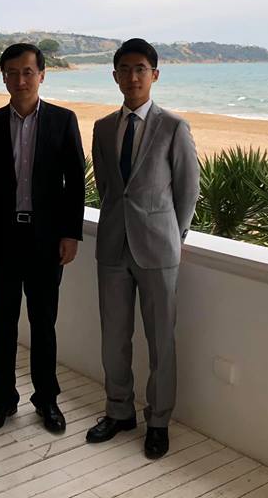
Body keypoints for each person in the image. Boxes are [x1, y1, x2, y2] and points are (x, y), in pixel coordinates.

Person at [87, 38, 199, 460]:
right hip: (113, 247)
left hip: (158, 250)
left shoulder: (174, 127)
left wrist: (173, 236)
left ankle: (158, 421)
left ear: (154, 74)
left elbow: (187, 191)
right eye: (125, 69)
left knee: (161, 340)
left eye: (140, 69)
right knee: (113, 337)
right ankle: (118, 411)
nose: (132, 77)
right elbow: (107, 189)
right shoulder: (102, 128)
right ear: (115, 76)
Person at [0, 43, 85, 434]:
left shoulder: (63, 121)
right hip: (1, 239)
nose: (21, 80)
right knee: (2, 324)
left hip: (46, 239)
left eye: (28, 72)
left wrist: (70, 233)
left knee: (43, 324)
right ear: (3, 77)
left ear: (42, 76)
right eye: (13, 73)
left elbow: (75, 183)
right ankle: (2, 401)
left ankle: (47, 400)